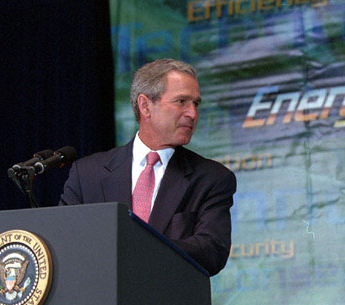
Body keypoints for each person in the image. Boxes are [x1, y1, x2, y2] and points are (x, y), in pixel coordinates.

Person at [60, 59, 236, 278]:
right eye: (181, 101)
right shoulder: (87, 174)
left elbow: (212, 251)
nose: (192, 113)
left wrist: (134, 250)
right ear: (145, 106)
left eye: (196, 104)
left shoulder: (212, 178)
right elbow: (65, 244)